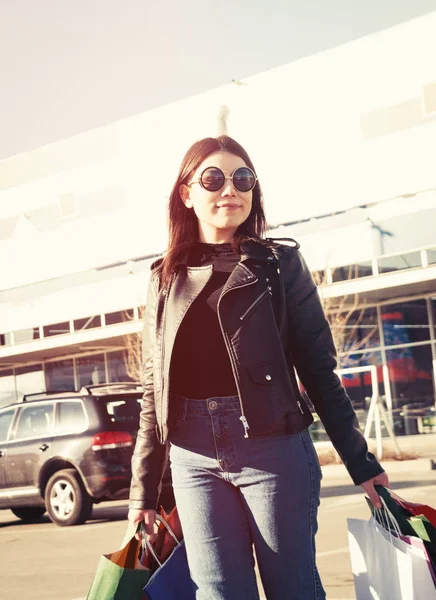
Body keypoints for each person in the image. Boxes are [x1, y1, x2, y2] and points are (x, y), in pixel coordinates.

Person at [128, 135, 389, 599]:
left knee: (293, 590)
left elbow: (318, 370)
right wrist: (142, 492)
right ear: (186, 194)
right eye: (213, 178)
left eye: (242, 178)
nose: (230, 188)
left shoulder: (280, 265)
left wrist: (361, 462)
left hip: (273, 448)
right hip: (193, 458)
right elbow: (154, 388)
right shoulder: (164, 278)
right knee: (220, 593)